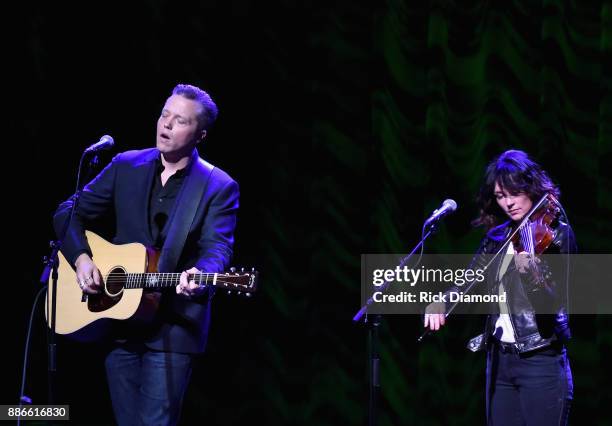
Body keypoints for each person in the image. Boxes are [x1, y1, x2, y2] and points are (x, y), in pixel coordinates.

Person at [54, 83, 239, 425]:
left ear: (200, 135)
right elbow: (68, 212)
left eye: (179, 121)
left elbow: (218, 246)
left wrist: (202, 274)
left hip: (173, 330)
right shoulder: (126, 165)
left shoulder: (218, 185)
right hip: (119, 321)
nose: (166, 125)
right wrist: (81, 258)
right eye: (164, 114)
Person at [424, 149, 575, 425]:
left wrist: (533, 277)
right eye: (500, 196)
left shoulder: (557, 234)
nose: (508, 203)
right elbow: (469, 279)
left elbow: (557, 305)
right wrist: (442, 301)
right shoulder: (498, 237)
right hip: (500, 364)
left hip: (540, 360)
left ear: (530, 187)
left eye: (514, 193)